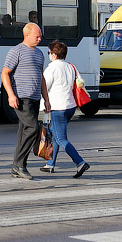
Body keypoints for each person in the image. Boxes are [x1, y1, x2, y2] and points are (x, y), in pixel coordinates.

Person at [1, 22, 51, 179]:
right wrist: (10, 94)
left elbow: (41, 77)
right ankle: (19, 165)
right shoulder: (16, 51)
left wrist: (46, 99)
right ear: (27, 35)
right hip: (21, 97)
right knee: (33, 128)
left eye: (40, 36)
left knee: (24, 132)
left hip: (35, 98)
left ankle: (17, 167)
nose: (39, 39)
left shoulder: (39, 53)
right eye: (37, 36)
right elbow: (4, 73)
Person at [40, 41, 90, 178]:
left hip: (57, 107)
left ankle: (80, 162)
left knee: (61, 138)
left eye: (49, 53)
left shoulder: (51, 68)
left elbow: (44, 87)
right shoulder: (71, 67)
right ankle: (50, 164)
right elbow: (80, 82)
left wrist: (43, 104)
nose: (49, 55)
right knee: (57, 135)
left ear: (54, 55)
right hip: (70, 106)